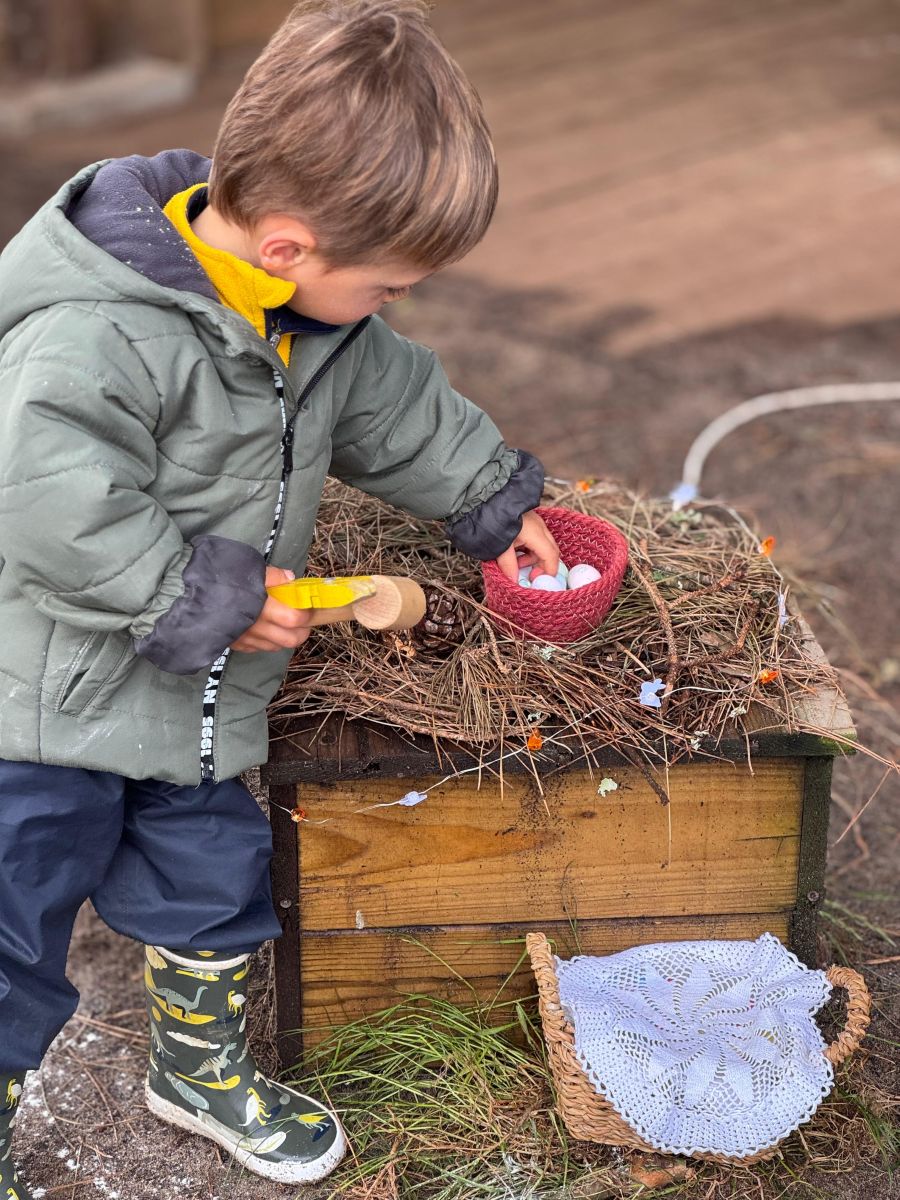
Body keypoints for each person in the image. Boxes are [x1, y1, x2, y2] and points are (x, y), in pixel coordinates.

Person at [0, 0, 559, 1191]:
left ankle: (193, 1071)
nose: (394, 308)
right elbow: (48, 503)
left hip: (192, 702)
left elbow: (398, 407)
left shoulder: (316, 321)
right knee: (11, 927)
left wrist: (496, 505)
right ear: (294, 247)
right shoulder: (93, 331)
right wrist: (199, 593)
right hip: (39, 705)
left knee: (211, 884)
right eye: (394, 286)